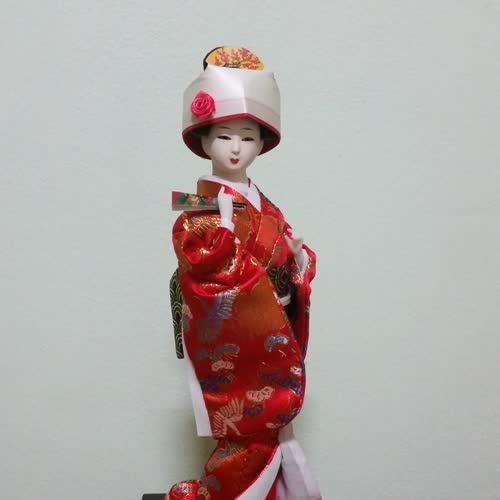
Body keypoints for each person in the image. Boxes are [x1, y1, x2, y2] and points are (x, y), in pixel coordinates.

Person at [166, 47, 321, 500]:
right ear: (203, 140)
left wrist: (296, 259)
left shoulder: (262, 202)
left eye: (247, 137)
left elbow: (285, 251)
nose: (235, 148)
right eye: (224, 136)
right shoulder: (197, 208)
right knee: (248, 431)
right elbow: (202, 266)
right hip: (241, 338)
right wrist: (225, 239)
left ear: (261, 143)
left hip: (274, 325)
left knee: (273, 430)